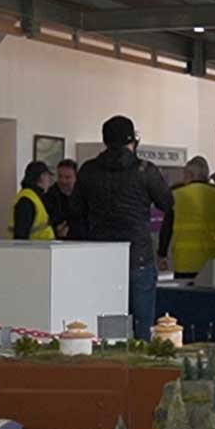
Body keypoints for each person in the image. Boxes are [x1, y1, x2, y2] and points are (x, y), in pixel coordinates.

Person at [71, 115, 173, 340]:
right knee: (142, 325)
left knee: (110, 325)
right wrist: (162, 249)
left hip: (101, 257)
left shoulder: (88, 170)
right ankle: (141, 368)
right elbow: (168, 205)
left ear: (105, 141)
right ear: (132, 141)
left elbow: (75, 211)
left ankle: (113, 367)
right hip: (138, 256)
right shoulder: (145, 171)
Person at [157, 156, 215, 278]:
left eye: (185, 175)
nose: (183, 179)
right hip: (214, 263)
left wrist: (162, 254)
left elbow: (167, 227)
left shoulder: (177, 195)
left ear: (190, 174)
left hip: (185, 263)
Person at [9, 161, 59, 240]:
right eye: (48, 176)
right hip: (34, 250)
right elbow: (21, 235)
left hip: (40, 249)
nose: (49, 181)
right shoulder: (27, 200)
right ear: (42, 176)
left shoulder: (35, 197)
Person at [46, 158, 85, 240]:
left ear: (76, 177)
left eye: (68, 177)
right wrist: (55, 230)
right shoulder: (49, 196)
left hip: (81, 241)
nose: (63, 181)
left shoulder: (84, 195)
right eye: (60, 176)